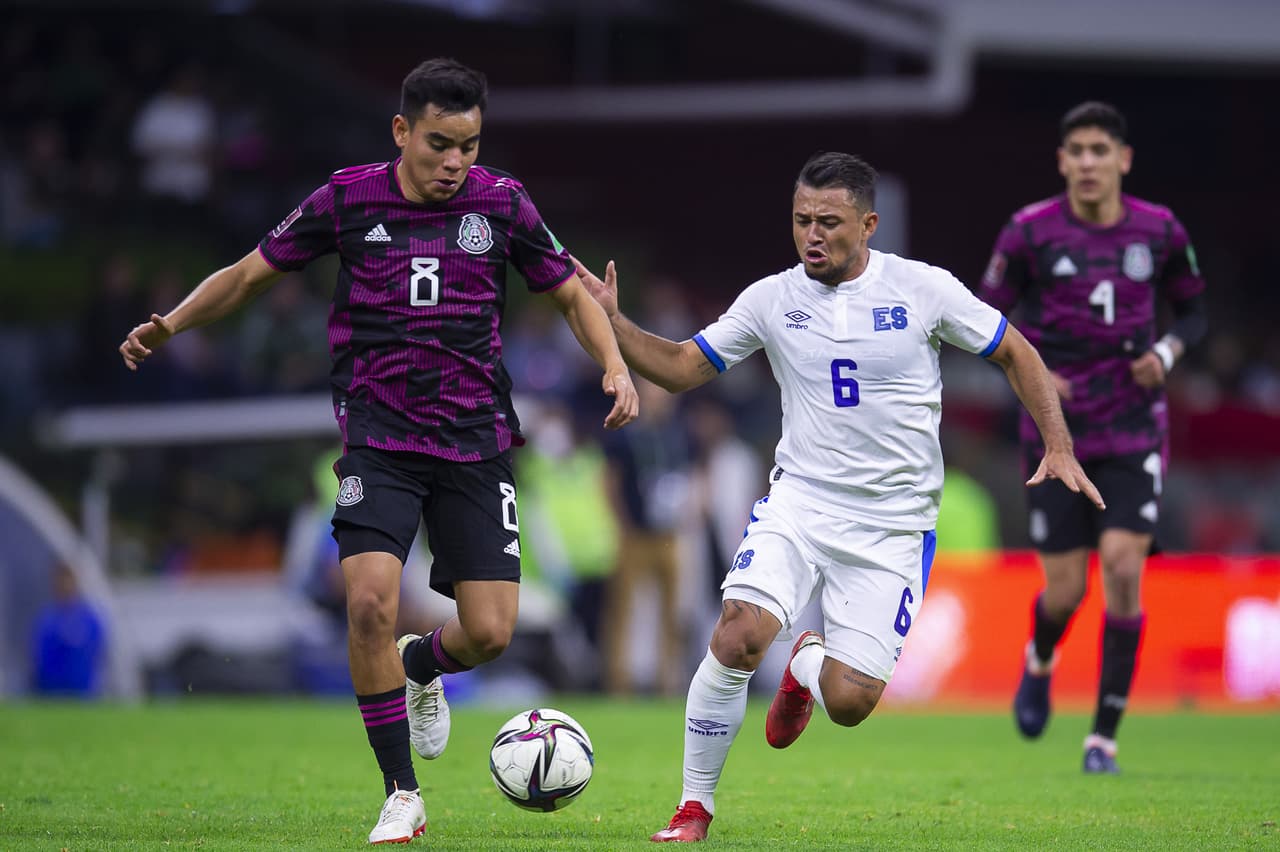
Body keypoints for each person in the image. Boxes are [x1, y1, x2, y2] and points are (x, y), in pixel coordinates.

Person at [119, 57, 638, 845]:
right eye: (439, 144)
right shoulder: (345, 197)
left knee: (492, 632)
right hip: (380, 438)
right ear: (402, 131)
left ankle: (422, 665)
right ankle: (402, 793)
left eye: (467, 144)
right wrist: (174, 323)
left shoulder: (502, 204)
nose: (455, 161)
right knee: (366, 602)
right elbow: (253, 275)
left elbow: (569, 289)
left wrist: (612, 362)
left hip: (475, 442)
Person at [574, 150, 1104, 843]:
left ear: (869, 224)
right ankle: (693, 807)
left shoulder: (924, 290)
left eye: (829, 221)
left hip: (893, 525)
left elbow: (1016, 352)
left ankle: (804, 661)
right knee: (736, 635)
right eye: (801, 221)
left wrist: (1058, 445)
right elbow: (677, 368)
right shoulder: (770, 299)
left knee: (851, 703)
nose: (812, 235)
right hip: (801, 503)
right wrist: (613, 321)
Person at [979, 101, 1208, 774]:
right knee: (1064, 592)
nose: (1087, 162)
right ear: (1061, 161)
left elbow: (1195, 312)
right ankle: (1041, 655)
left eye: (1099, 150)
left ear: (1123, 160)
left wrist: (1164, 353)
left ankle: (1103, 736)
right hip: (1055, 432)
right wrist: (1034, 372)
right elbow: (983, 321)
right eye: (1075, 150)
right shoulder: (1028, 233)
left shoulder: (1160, 231)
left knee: (1123, 568)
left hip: (1134, 426)